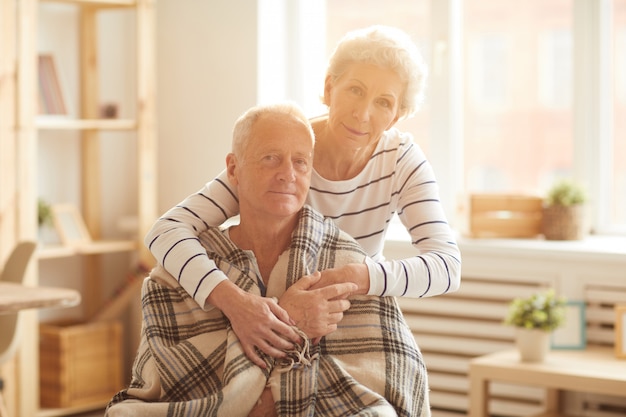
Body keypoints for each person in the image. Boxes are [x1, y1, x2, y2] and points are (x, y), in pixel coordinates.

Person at [145, 25, 461, 367]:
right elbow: (166, 230)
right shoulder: (288, 151)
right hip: (269, 308)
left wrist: (360, 275)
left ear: (397, 115)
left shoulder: (401, 160)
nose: (363, 113)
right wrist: (235, 302)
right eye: (355, 89)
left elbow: (447, 266)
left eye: (383, 102)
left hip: (348, 316)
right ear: (329, 88)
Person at [106, 103, 430, 417]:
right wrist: (289, 321)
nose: (287, 174)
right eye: (270, 158)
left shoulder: (346, 264)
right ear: (234, 168)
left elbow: (396, 378)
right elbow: (175, 387)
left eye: (301, 162)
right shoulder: (177, 275)